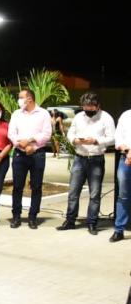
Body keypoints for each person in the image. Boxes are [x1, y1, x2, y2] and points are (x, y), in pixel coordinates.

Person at [57, 92, 115, 235]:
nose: (88, 110)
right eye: (85, 107)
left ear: (98, 106)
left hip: (96, 158)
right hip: (79, 158)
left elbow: (112, 138)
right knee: (73, 192)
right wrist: (74, 140)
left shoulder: (106, 118)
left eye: (91, 107)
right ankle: (70, 221)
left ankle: (92, 223)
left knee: (94, 193)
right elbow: (71, 132)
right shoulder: (78, 117)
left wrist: (96, 141)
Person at [8, 89, 52, 229]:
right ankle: (16, 216)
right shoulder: (16, 114)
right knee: (17, 187)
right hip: (20, 153)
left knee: (37, 187)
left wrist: (31, 142)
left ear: (30, 99)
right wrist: (20, 143)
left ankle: (33, 217)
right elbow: (11, 133)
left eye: (21, 97)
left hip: (37, 154)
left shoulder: (43, 113)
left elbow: (47, 134)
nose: (19, 100)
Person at [111, 108, 131, 242]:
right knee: (123, 195)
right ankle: (119, 230)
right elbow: (118, 137)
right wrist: (127, 149)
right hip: (126, 159)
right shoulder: (126, 115)